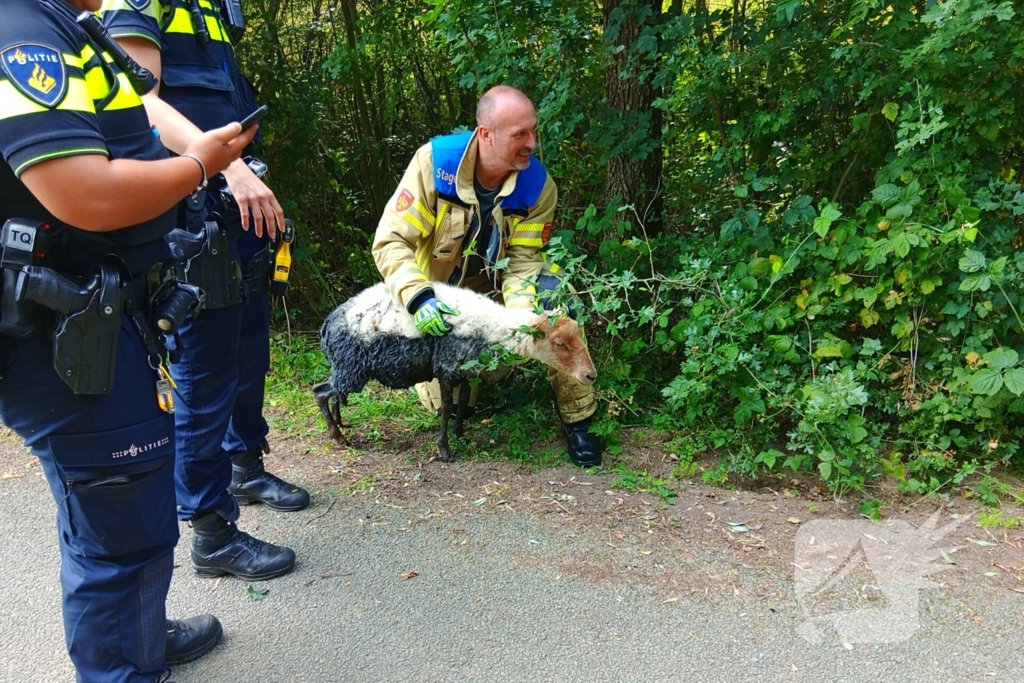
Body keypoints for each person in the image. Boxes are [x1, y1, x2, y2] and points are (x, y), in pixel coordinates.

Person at [0, 0, 256, 678]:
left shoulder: (67, 27)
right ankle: (122, 662)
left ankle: (137, 630)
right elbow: (82, 190)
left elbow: (135, 121)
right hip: (63, 328)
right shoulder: (20, 29)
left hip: (103, 314)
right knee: (117, 522)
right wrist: (198, 165)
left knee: (121, 504)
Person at [99, 0, 309, 582]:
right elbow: (138, 100)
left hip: (238, 208)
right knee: (205, 372)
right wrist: (225, 171)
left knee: (248, 355)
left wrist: (249, 174)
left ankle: (245, 465)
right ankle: (211, 531)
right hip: (195, 212)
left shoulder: (213, 8)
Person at [372, 85, 602, 467]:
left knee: (558, 301)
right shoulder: (433, 166)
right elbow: (391, 242)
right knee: (447, 401)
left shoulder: (537, 186)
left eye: (533, 131)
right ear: (485, 135)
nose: (532, 143)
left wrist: (523, 322)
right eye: (519, 135)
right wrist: (418, 297)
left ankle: (579, 418)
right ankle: (472, 385)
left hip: (499, 295)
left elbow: (525, 261)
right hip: (442, 297)